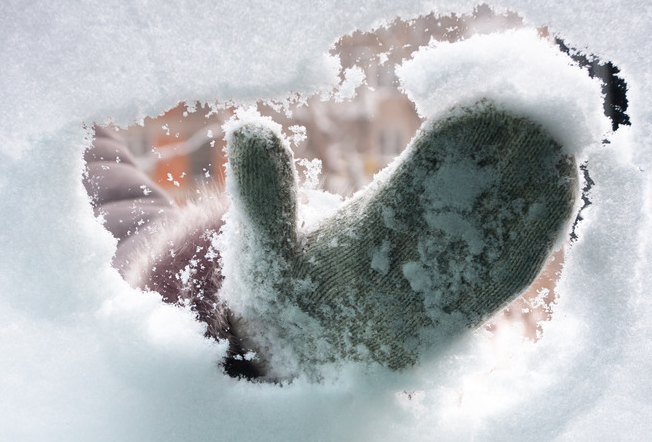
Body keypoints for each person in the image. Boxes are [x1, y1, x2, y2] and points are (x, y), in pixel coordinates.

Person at [83, 100, 578, 381]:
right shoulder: (49, 123)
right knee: (133, 255)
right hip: (99, 251)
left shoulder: (57, 125)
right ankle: (265, 337)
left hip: (113, 238)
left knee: (136, 248)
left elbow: (114, 192)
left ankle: (257, 332)